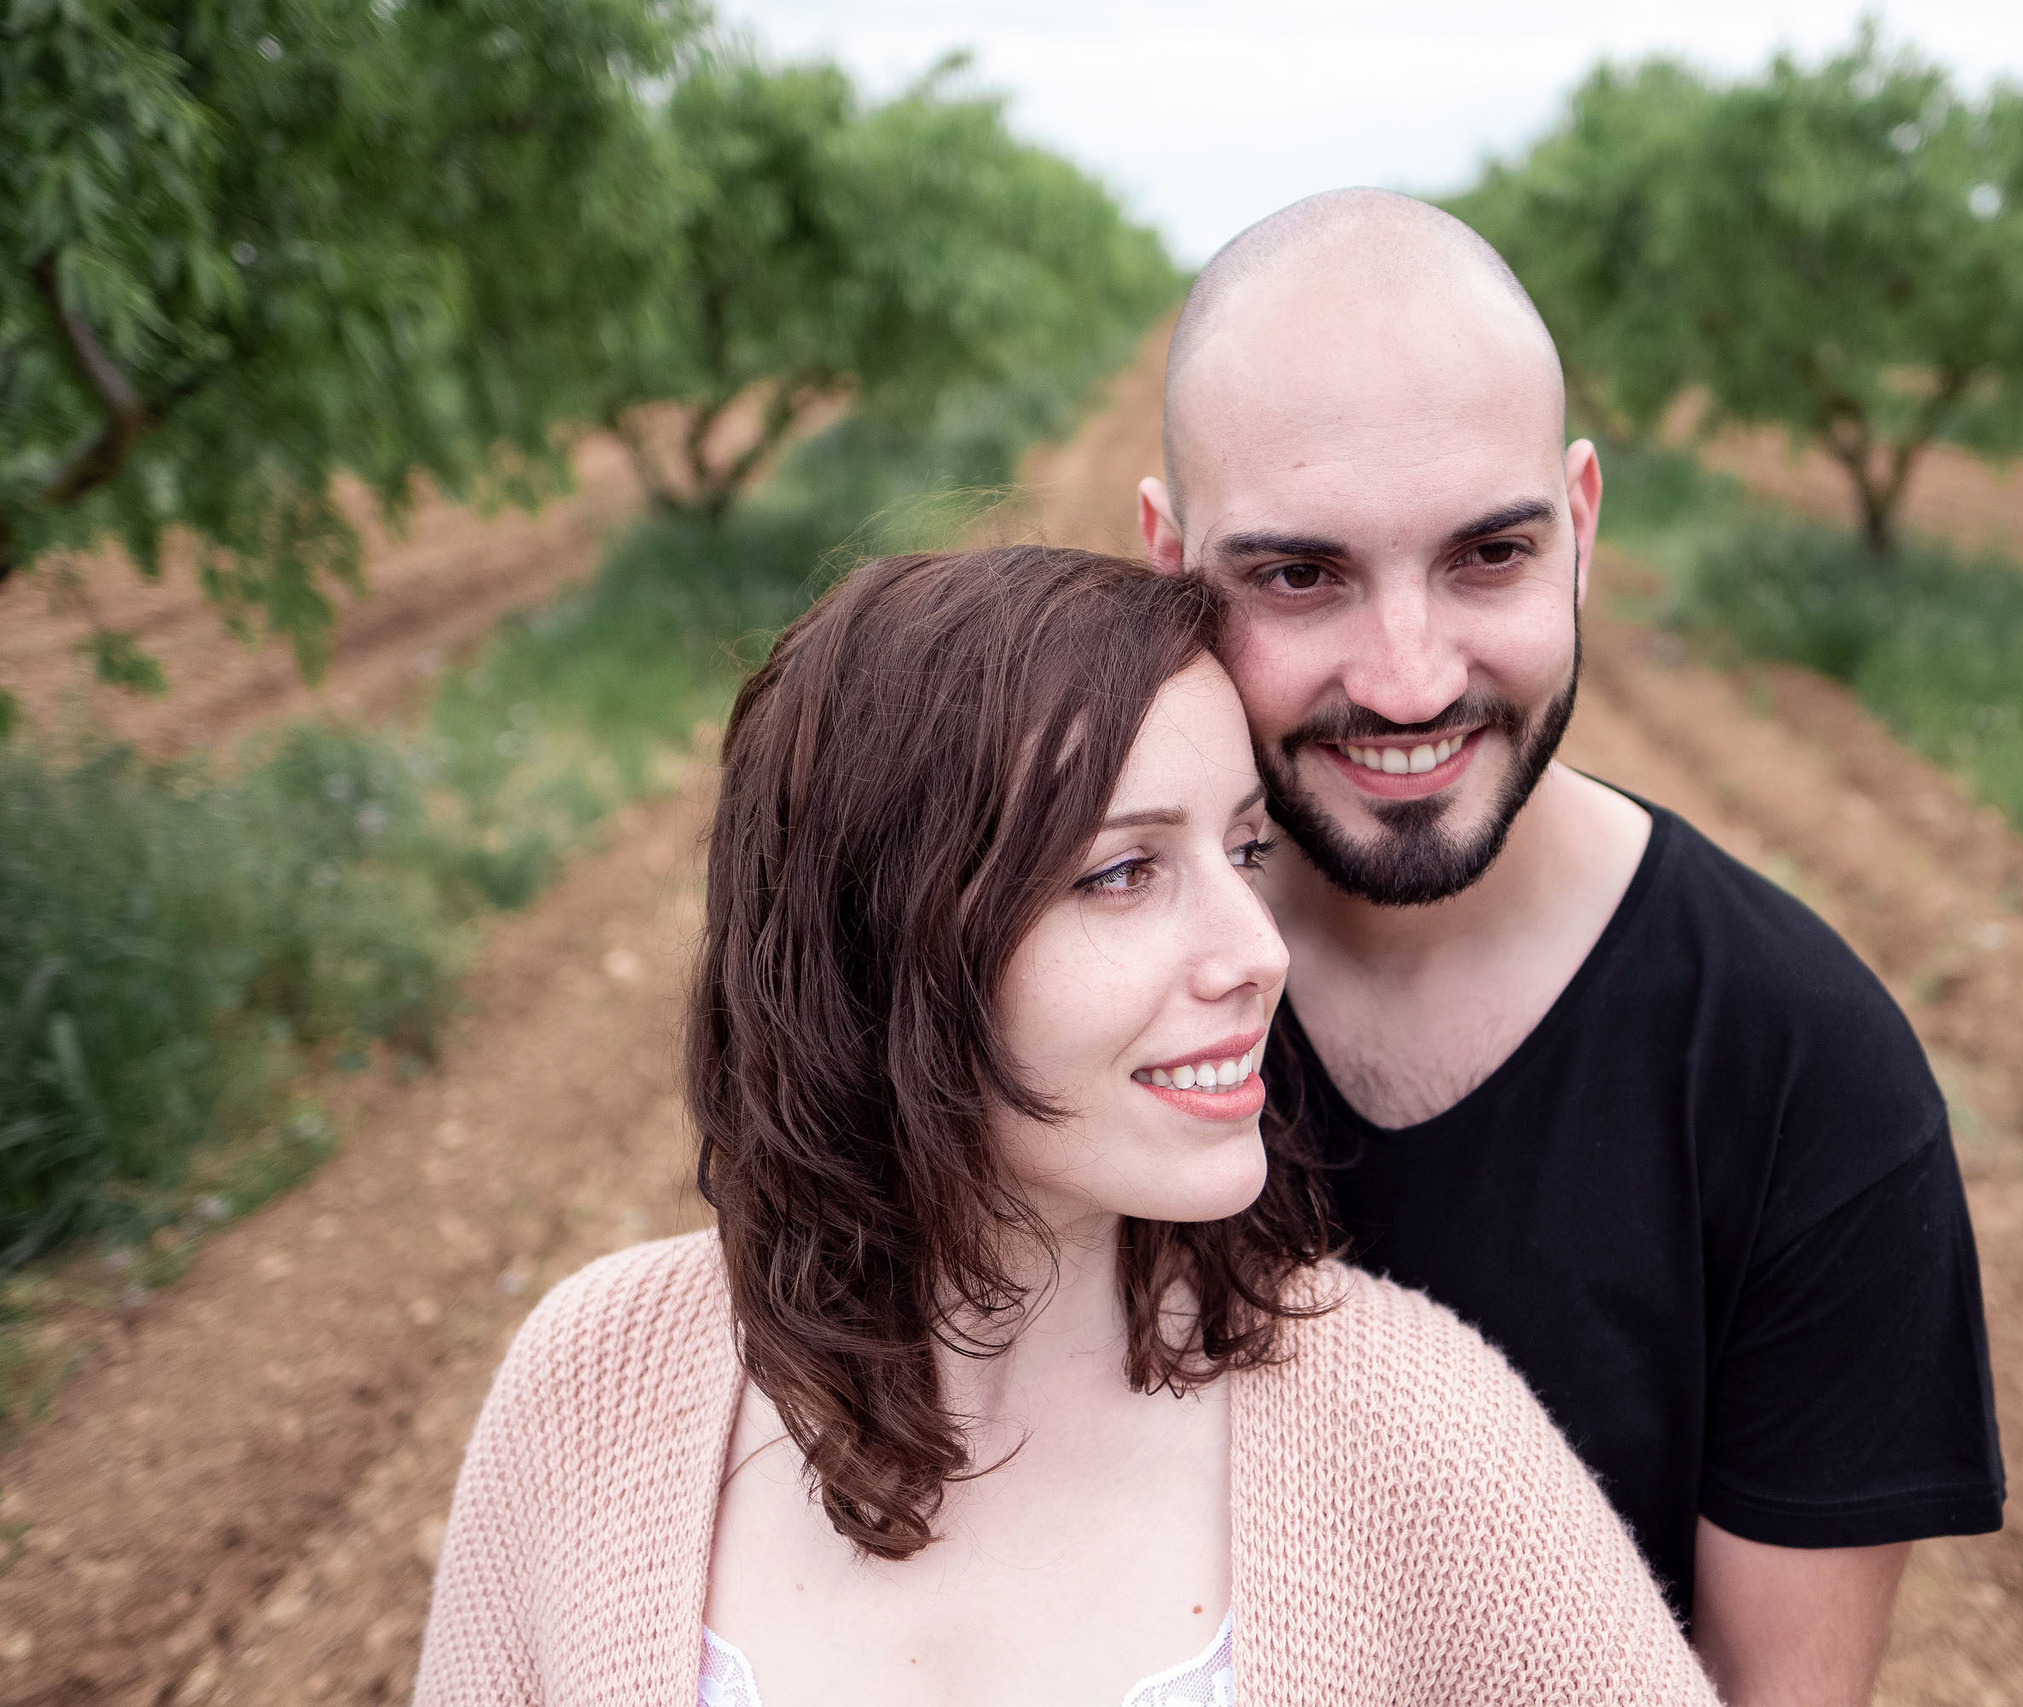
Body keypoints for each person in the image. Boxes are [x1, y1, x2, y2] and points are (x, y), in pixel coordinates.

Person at [412, 545, 1717, 1706]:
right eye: (1122, 872)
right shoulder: (593, 1386)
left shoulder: (1416, 1434)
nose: (1255, 951)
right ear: (884, 945)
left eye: (1245, 852)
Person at [1136, 189, 2005, 1706]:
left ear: (1583, 530)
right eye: (1299, 575)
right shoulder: (1062, 1007)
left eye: (1489, 556)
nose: (1410, 682)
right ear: (1167, 563)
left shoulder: (1804, 1078)